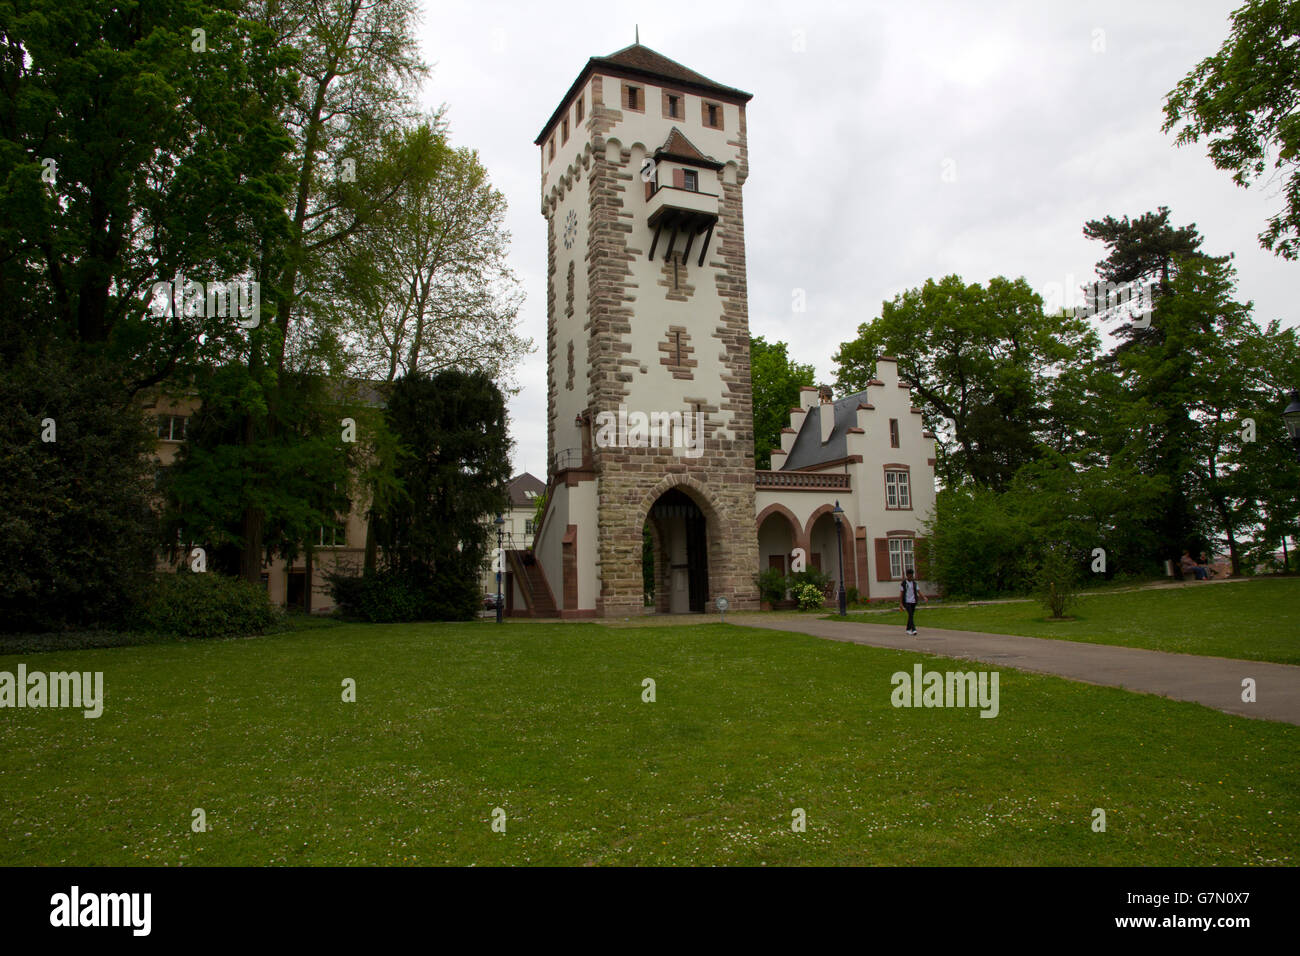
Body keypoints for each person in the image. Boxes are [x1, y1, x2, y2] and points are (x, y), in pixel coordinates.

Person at [899, 568, 928, 635]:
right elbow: (901, 593)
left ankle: (908, 629)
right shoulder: (904, 583)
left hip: (913, 601)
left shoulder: (914, 583)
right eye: (909, 575)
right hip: (906, 602)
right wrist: (900, 603)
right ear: (907, 575)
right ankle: (914, 629)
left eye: (912, 575)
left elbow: (919, 591)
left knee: (911, 615)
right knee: (910, 614)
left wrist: (924, 597)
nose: (911, 577)